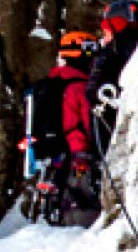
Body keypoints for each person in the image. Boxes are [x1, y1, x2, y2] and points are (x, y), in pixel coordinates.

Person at [20, 31, 100, 225]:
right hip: (76, 151)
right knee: (81, 200)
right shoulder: (80, 87)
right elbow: (85, 122)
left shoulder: (50, 84)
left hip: (52, 153)